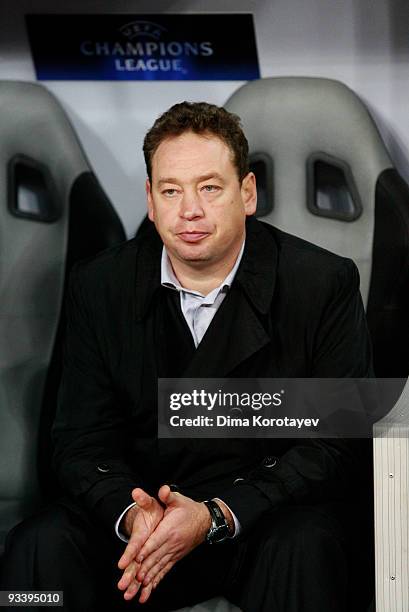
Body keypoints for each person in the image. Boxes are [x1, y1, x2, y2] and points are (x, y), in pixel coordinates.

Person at [1, 102, 373, 612]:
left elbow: (336, 446)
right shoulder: (98, 285)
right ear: (151, 201)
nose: (189, 210)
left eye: (209, 187)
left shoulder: (322, 283)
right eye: (171, 190)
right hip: (142, 520)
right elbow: (79, 441)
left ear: (246, 194)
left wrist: (216, 515)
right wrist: (134, 516)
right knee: (38, 545)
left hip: (258, 519)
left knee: (308, 544)